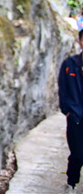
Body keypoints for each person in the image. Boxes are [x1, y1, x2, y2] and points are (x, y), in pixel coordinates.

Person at [59, 17, 83, 192]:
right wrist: (67, 110)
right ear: (79, 41)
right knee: (78, 154)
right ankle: (71, 183)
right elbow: (63, 89)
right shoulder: (70, 64)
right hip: (75, 117)